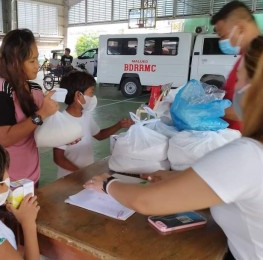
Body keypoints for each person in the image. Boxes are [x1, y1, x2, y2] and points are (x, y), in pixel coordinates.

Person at [84, 44, 263, 260]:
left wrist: (107, 183)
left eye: (239, 81)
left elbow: (147, 202)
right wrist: (180, 178)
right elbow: (236, 184)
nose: (233, 90)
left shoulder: (248, 155)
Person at [0, 29, 59, 185]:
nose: (37, 65)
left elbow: (39, 128)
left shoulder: (35, 89)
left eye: (37, 59)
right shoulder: (0, 90)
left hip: (30, 176)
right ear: (15, 62)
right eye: (31, 61)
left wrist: (64, 136)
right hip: (2, 181)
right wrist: (41, 113)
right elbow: (5, 138)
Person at [53, 71, 133, 178]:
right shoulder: (62, 122)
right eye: (91, 93)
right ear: (78, 95)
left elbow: (99, 135)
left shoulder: (85, 115)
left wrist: (119, 125)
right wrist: (80, 173)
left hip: (86, 174)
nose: (93, 97)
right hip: (69, 178)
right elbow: (59, 158)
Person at [211, 0, 260, 131]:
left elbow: (251, 111)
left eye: (223, 36)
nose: (221, 42)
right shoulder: (244, 57)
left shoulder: (258, 58)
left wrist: (209, 109)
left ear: (240, 29)